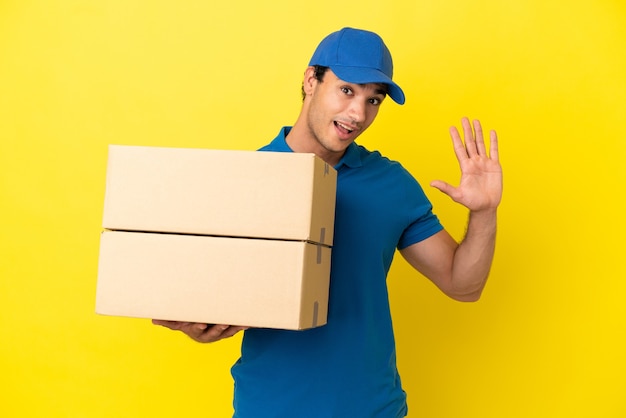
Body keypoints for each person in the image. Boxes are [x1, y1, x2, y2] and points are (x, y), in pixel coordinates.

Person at [153, 27, 502, 417]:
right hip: (271, 407)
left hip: (373, 409)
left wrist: (484, 212)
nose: (359, 113)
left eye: (374, 99)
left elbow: (463, 285)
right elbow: (211, 296)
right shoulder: (247, 178)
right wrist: (199, 325)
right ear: (310, 80)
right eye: (347, 90)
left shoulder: (390, 183)